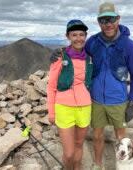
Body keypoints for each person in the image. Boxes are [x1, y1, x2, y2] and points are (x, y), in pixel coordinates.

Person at [50, 2, 133, 170]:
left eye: (111, 19)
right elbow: (77, 49)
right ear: (99, 22)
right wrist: (60, 52)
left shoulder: (129, 46)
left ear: (118, 19)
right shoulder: (93, 42)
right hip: (96, 100)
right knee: (97, 135)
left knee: (121, 139)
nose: (108, 24)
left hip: (119, 100)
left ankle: (122, 166)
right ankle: (97, 165)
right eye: (103, 20)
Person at [46, 19, 93, 170]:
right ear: (68, 37)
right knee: (69, 152)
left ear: (85, 36)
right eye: (74, 35)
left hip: (85, 107)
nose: (78, 38)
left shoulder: (90, 58)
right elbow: (52, 86)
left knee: (79, 145)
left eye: (81, 34)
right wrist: (51, 112)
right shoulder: (60, 57)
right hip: (64, 107)